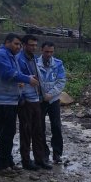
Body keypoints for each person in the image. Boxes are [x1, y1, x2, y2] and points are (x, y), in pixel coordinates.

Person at [0, 33, 39, 177]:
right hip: (1, 101)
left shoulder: (11, 56)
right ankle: (2, 165)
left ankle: (8, 162)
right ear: (7, 42)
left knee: (8, 133)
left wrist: (21, 84)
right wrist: (27, 79)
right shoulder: (0, 55)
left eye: (20, 45)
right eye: (16, 44)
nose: (18, 47)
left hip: (9, 100)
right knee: (6, 133)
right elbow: (8, 74)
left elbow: (14, 75)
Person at [16, 35, 52, 171]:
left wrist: (41, 95)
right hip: (26, 100)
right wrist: (21, 99)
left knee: (38, 131)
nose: (34, 47)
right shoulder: (19, 59)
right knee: (26, 131)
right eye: (31, 45)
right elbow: (18, 80)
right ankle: (26, 160)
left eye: (35, 45)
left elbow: (38, 80)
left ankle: (39, 159)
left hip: (36, 99)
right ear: (24, 45)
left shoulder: (32, 59)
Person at [37, 41, 67, 164]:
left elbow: (61, 81)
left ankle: (57, 153)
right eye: (46, 52)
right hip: (39, 100)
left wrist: (51, 94)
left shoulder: (58, 64)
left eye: (51, 52)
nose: (49, 54)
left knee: (56, 126)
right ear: (41, 51)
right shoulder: (35, 63)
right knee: (40, 127)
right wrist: (43, 95)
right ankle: (44, 154)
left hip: (53, 99)